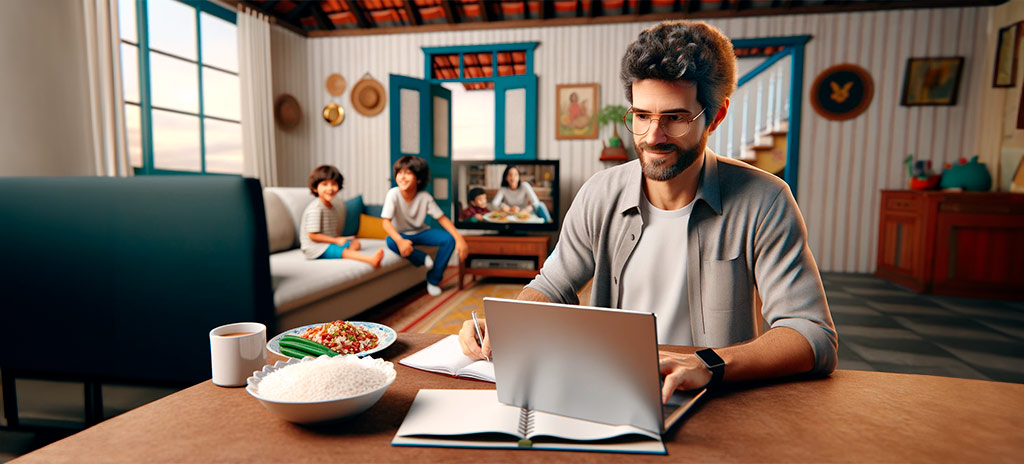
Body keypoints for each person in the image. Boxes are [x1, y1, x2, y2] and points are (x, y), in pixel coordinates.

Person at [460, 20, 837, 402]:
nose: (653, 137)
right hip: (608, 393)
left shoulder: (765, 200)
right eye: (641, 116)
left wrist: (708, 364)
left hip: (716, 403)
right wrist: (505, 324)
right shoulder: (598, 192)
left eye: (674, 118)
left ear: (716, 116)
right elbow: (552, 286)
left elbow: (811, 333)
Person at [382, 155, 469, 296]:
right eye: (399, 172)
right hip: (401, 234)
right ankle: (422, 258)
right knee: (390, 241)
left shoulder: (425, 197)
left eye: (408, 173)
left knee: (448, 240)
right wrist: (400, 241)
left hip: (420, 232)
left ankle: (433, 279)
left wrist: (460, 239)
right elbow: (386, 222)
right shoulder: (393, 194)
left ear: (418, 178)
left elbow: (442, 218)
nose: (402, 177)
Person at [300, 165, 384, 267]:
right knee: (344, 250)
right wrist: (336, 240)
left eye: (333, 184)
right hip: (314, 248)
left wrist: (340, 238)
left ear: (339, 186)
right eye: (325, 184)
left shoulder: (332, 207)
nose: (330, 188)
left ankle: (343, 252)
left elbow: (330, 232)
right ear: (315, 188)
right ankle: (370, 260)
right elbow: (313, 236)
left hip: (327, 244)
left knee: (356, 243)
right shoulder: (316, 208)